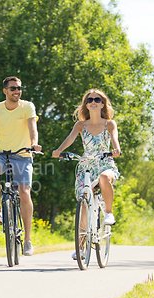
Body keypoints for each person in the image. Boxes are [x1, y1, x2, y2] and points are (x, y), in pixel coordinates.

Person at [0, 76, 41, 256]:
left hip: (23, 155)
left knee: (24, 193)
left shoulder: (27, 107)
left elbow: (32, 128)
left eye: (19, 88)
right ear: (5, 91)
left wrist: (34, 144)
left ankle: (27, 240)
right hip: (1, 153)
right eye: (13, 89)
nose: (17, 91)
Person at [52, 89, 121, 260]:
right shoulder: (80, 125)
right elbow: (70, 138)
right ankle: (81, 247)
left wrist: (116, 149)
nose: (93, 101)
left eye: (97, 99)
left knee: (105, 178)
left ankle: (108, 213)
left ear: (102, 103)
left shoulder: (109, 124)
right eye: (89, 99)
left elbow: (114, 139)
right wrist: (59, 150)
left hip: (105, 163)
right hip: (86, 166)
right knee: (84, 203)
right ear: (86, 104)